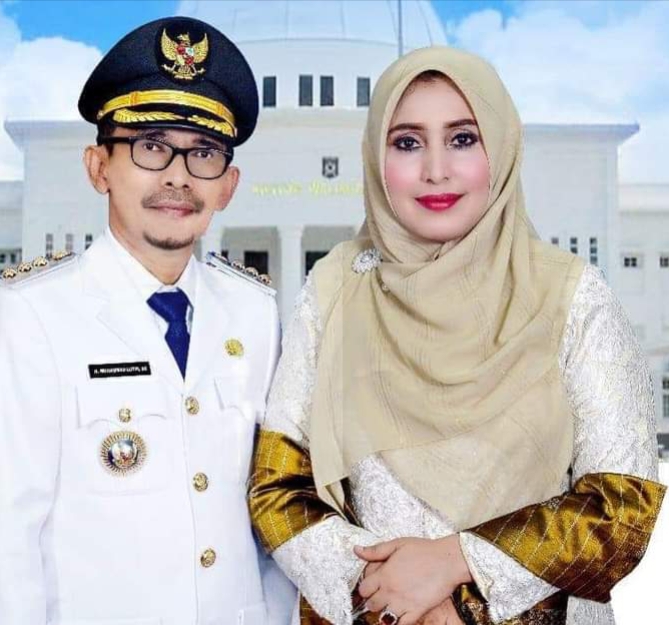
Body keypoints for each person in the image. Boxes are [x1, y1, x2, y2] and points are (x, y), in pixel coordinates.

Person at [249, 46, 665, 625]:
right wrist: (390, 595)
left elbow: (621, 508)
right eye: (407, 142)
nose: (436, 170)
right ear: (376, 158)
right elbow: (279, 487)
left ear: (501, 148)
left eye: (463, 139)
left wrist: (457, 575)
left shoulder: (571, 296)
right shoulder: (334, 290)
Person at [0, 16, 295, 625]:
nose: (177, 175)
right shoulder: (31, 316)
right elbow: (5, 543)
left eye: (203, 154)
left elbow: (269, 518)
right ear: (99, 167)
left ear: (228, 186)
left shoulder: (255, 314)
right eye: (151, 146)